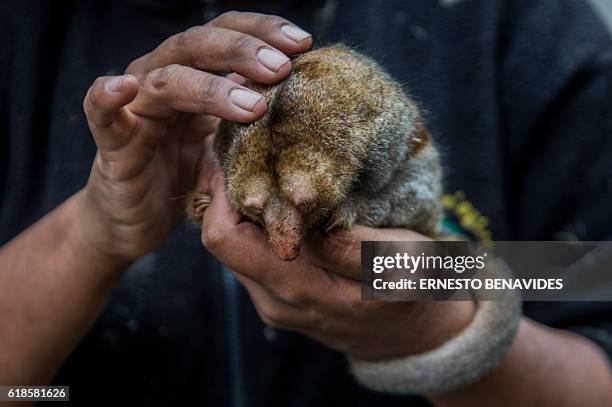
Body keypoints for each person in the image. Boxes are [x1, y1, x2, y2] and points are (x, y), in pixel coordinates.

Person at [1, 0, 612, 405]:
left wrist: (442, 325)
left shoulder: (509, 23)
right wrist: (93, 235)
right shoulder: (22, 34)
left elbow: (581, 281)